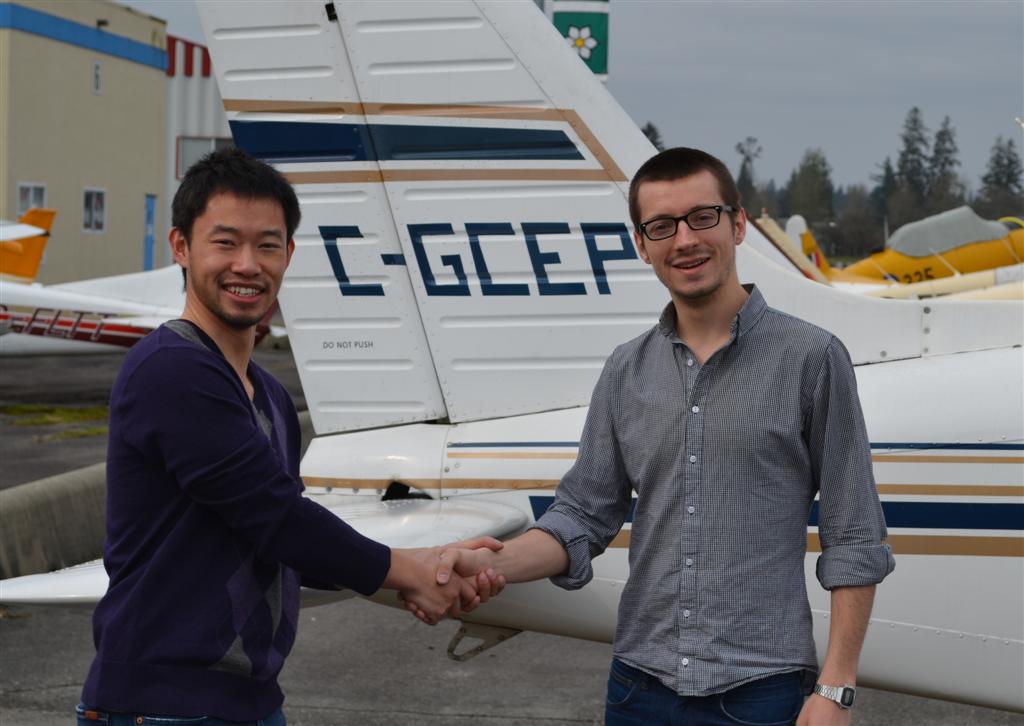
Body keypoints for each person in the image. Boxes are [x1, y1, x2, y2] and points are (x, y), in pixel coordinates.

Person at [434, 147, 895, 726]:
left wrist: (835, 691)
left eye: (703, 217)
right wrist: (492, 564)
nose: (685, 240)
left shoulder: (813, 359)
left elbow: (854, 534)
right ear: (641, 244)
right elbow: (583, 514)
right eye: (662, 226)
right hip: (639, 689)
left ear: (738, 223)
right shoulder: (626, 370)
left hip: (761, 692)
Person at [77, 148, 498, 726]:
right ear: (181, 247)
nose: (248, 264)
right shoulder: (170, 369)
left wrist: (430, 562)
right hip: (161, 705)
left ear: (289, 254)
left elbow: (282, 546)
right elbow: (273, 516)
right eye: (225, 242)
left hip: (249, 702)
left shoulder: (269, 396)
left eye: (267, 245)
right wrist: (411, 575)